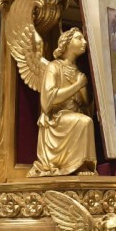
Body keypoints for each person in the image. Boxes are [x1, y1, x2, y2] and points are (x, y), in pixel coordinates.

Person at [29, 28, 97, 177]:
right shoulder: (54, 67)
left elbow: (86, 103)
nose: (84, 42)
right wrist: (77, 85)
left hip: (73, 116)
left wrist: (81, 86)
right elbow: (48, 100)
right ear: (66, 43)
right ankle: (78, 165)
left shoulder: (79, 72)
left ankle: (82, 164)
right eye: (79, 38)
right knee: (84, 122)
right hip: (56, 118)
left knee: (86, 120)